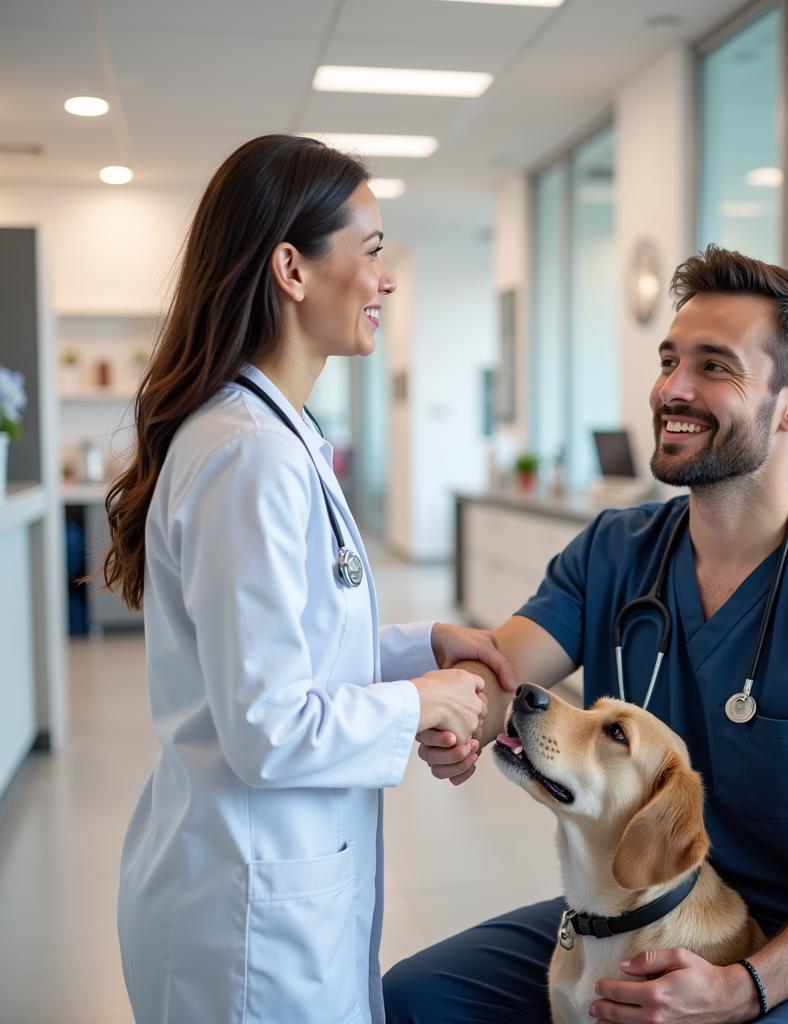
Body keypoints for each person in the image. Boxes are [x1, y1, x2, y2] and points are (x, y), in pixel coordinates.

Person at [385, 246, 788, 1024]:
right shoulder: (615, 552)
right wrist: (458, 718)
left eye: (714, 367)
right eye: (669, 360)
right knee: (415, 1002)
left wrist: (743, 986)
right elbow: (499, 684)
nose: (671, 389)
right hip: (651, 903)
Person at [102, 134, 514, 1024]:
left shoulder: (274, 436)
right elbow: (267, 726)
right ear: (291, 267)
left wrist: (420, 651)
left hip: (270, 884)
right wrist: (425, 701)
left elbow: (299, 646)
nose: (385, 279)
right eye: (369, 252)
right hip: (244, 917)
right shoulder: (249, 455)